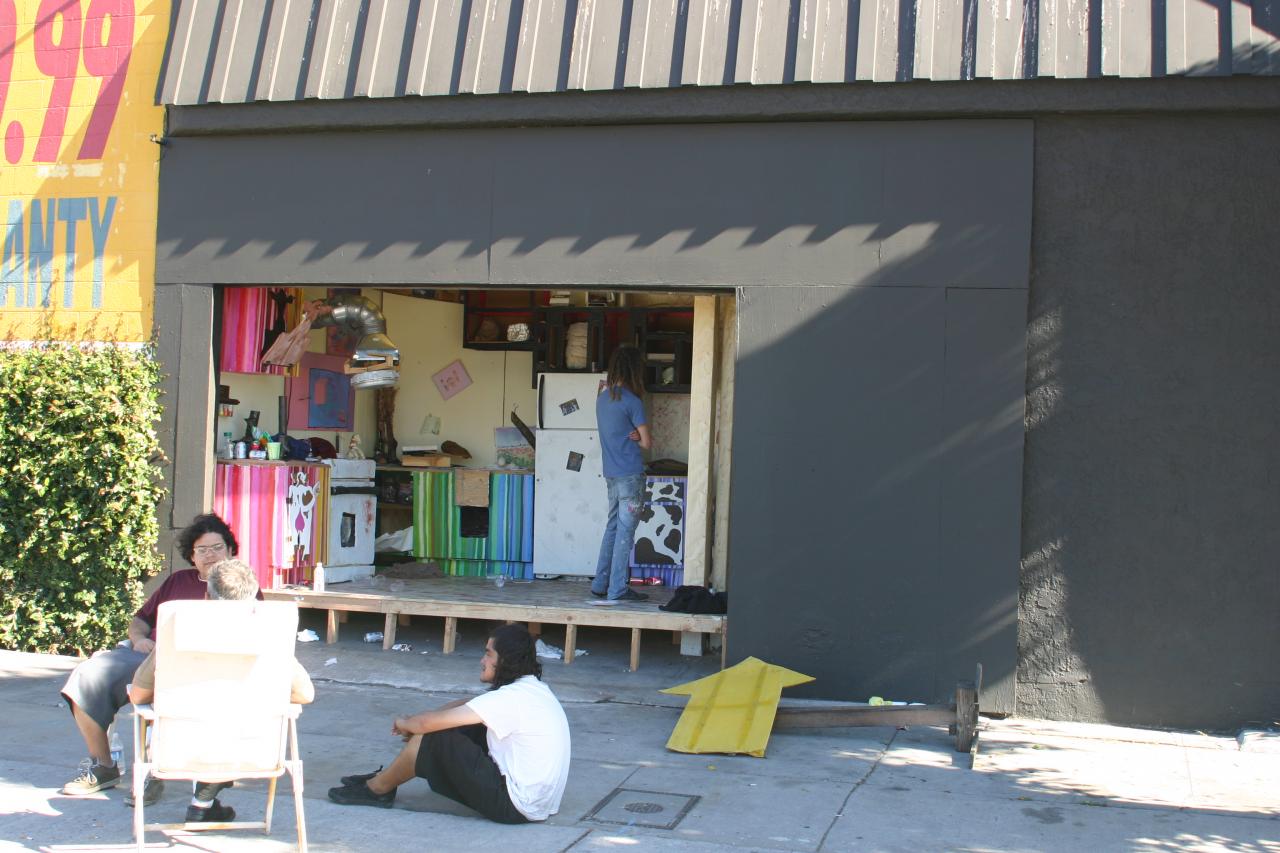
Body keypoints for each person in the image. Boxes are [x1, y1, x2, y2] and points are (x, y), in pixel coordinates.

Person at [59, 514, 242, 804]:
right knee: (87, 676)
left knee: (169, 695)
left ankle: (156, 772)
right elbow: (140, 620)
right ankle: (104, 766)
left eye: (217, 547)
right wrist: (139, 639)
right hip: (149, 656)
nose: (210, 555)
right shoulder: (177, 581)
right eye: (202, 549)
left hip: (199, 669)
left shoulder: (240, 586)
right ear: (192, 555)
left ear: (230, 550)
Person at [127, 558, 314, 823]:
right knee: (232, 719)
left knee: (208, 722)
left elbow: (137, 695)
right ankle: (202, 803)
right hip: (252, 749)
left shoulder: (174, 632)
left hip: (179, 749)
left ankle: (203, 802)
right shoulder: (272, 635)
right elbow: (305, 694)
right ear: (254, 598)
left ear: (206, 597)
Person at [327, 624, 570, 824]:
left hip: (515, 805)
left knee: (434, 736)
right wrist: (417, 722)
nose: (482, 660)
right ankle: (387, 776)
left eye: (488, 654)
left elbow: (428, 725)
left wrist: (407, 723)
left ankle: (378, 789)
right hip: (536, 802)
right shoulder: (531, 690)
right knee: (446, 725)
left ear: (505, 660)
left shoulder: (510, 698)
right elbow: (469, 705)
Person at [591, 344, 652, 601]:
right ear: (635, 370)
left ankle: (600, 584)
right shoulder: (632, 402)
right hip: (631, 475)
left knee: (613, 528)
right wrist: (637, 435)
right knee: (625, 533)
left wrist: (633, 433)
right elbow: (647, 443)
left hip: (612, 475)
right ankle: (617, 589)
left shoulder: (602, 399)